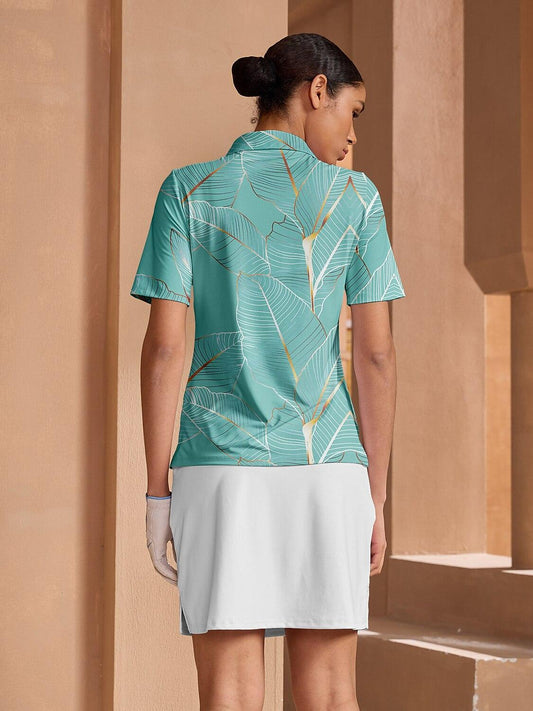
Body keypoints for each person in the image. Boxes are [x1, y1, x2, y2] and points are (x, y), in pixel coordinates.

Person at [131, 32, 405, 711]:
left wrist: (158, 494)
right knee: (331, 695)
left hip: (219, 469)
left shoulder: (188, 190)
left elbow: (164, 348)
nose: (351, 136)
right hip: (328, 466)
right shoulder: (356, 197)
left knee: (228, 696)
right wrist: (373, 497)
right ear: (317, 91)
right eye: (352, 112)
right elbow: (375, 356)